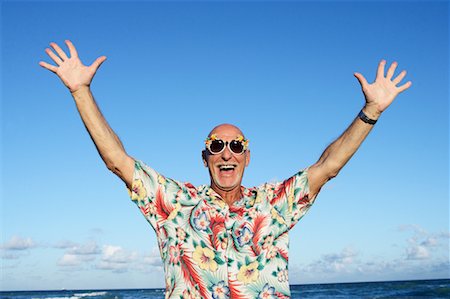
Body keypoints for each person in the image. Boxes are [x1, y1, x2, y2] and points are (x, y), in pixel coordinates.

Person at [40, 40, 411, 298]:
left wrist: (371, 112)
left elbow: (328, 166)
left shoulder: (274, 204)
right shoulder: (175, 204)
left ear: (247, 157)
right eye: (216, 146)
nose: (226, 153)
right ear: (206, 158)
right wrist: (80, 92)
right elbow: (117, 161)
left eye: (237, 146)